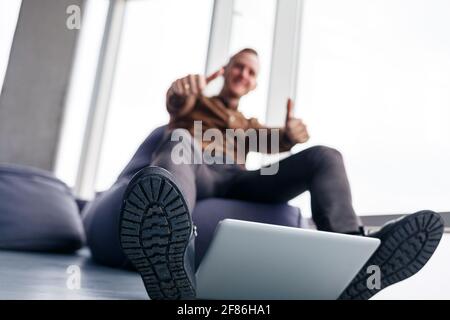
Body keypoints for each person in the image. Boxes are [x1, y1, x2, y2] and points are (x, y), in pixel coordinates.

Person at [83, 48, 444, 300]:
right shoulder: (196, 101)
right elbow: (177, 102)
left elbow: (277, 142)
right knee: (179, 138)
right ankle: (174, 262)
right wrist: (179, 97)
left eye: (251, 72)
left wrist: (291, 135)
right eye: (238, 66)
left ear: (254, 83)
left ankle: (358, 260)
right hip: (194, 167)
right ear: (224, 71)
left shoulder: (248, 125)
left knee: (325, 157)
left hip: (237, 181)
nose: (243, 74)